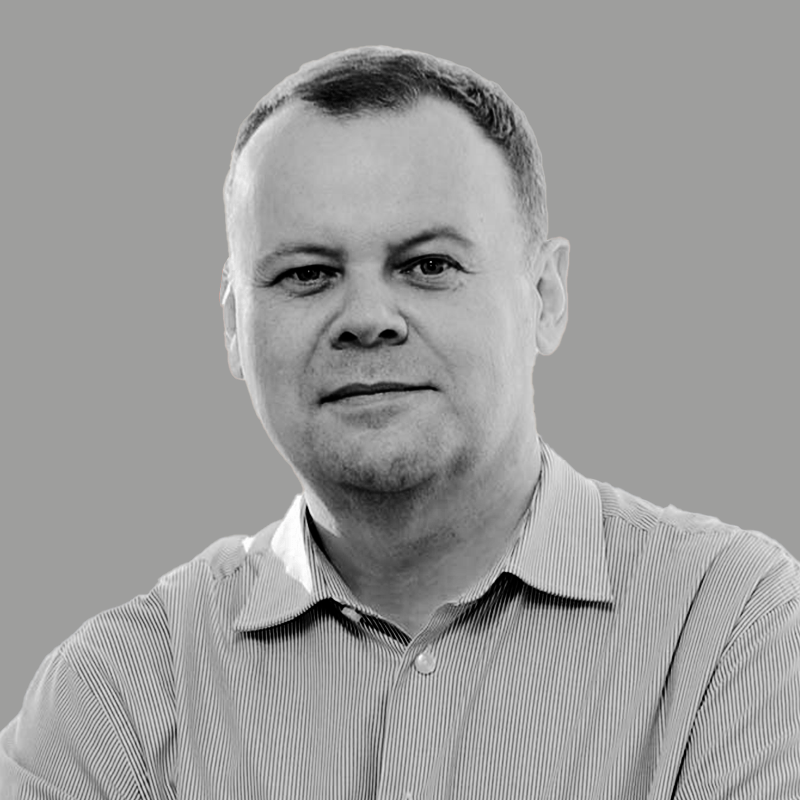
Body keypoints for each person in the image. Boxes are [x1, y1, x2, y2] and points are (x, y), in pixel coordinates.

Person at [1, 45, 799, 799]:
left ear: (545, 298)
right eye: (307, 273)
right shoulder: (119, 695)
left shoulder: (733, 625)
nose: (367, 317)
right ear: (234, 325)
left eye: (428, 265)